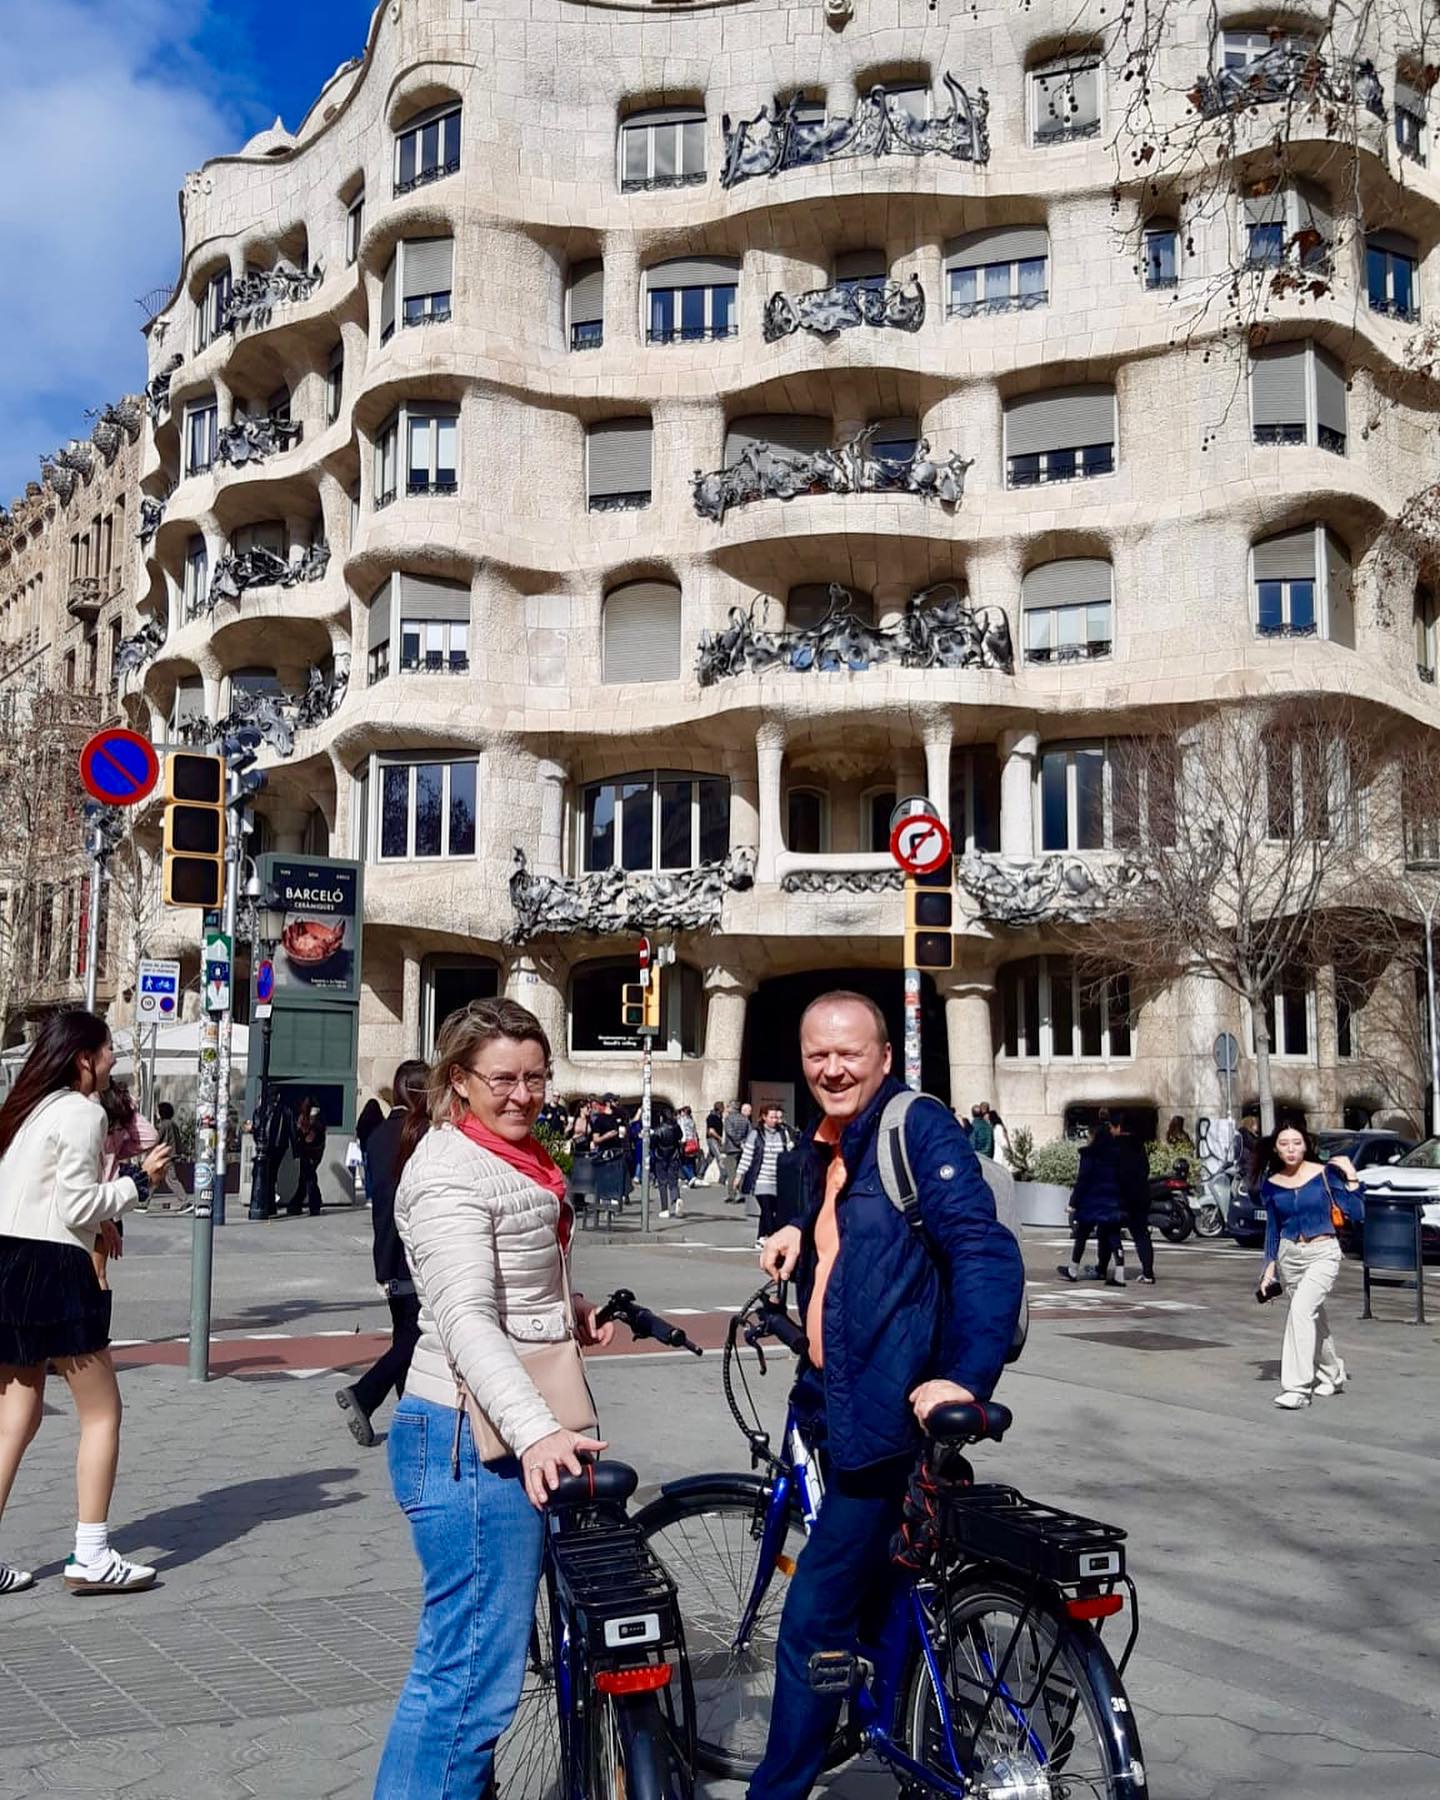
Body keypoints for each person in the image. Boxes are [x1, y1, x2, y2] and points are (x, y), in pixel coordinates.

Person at [753, 991, 1024, 1800]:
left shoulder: (917, 1128)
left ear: (883, 1058)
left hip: (883, 1418)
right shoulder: (830, 1142)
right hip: (833, 1400)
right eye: (816, 1054)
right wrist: (801, 1235)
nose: (831, 1068)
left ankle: (775, 1792)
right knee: (885, 1586)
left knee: (810, 1622)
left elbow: (982, 1248)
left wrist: (966, 1379)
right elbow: (857, 1235)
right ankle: (908, 1731)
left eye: (848, 1053)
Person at [375, 999, 613, 1796]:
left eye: (537, 1078)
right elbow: (467, 1320)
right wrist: (538, 1432)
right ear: (460, 1081)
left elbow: (511, 1273)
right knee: (466, 1688)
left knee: (472, 1674)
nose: (524, 1095)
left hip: (493, 1436)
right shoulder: (447, 1171)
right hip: (464, 1443)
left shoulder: (511, 1157)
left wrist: (565, 1306)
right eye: (503, 1079)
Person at [0, 1010, 173, 1597]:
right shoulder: (81, 1111)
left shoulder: (28, 1110)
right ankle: (92, 1552)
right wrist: (139, 1181)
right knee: (102, 1412)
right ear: (84, 1060)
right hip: (56, 1267)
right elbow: (77, 1206)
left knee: (15, 1417)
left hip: (10, 1262)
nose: (112, 1062)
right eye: (106, 1053)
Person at [337, 1062, 430, 1448]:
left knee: (405, 1335)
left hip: (386, 1251)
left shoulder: (377, 1135)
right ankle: (365, 1394)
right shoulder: (423, 1134)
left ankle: (412, 1419)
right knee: (416, 1338)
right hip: (414, 1251)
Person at [1257, 1123, 1357, 1409]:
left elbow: (1355, 1211)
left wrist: (1351, 1177)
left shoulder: (1325, 1175)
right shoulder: (1272, 1183)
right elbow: (1274, 1229)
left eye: (1296, 1143)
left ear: (1306, 1145)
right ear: (1276, 1147)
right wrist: (1269, 1266)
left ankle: (1297, 1389)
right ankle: (1333, 1373)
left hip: (1323, 1252)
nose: (1291, 1149)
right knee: (1312, 1318)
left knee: (1300, 1311)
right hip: (1290, 1255)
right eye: (1284, 1143)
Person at [94, 1084, 160, 1292]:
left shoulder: (86, 1106)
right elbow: (150, 1136)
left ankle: (95, 1322)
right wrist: (118, 1153)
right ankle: (97, 1321)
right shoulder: (113, 1108)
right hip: (112, 1203)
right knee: (99, 1272)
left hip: (92, 1199)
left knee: (92, 1274)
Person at [1058, 1117, 1127, 1285]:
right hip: (1112, 1199)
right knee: (1113, 1235)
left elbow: (1082, 1181)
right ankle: (1120, 1273)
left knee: (1081, 1234)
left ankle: (1073, 1269)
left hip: (1091, 1201)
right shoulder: (1116, 1155)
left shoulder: (1088, 1155)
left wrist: (1073, 1203)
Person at [1102, 1110, 1156, 1284]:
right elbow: (1145, 1169)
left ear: (1118, 1127)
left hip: (1119, 1198)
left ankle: (1105, 1268)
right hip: (1140, 1196)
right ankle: (1148, 1273)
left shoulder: (1112, 1146)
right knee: (1141, 1234)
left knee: (1108, 1230)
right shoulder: (1138, 1145)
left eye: (1111, 1127)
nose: (1110, 1130)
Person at [736, 1102, 798, 1247]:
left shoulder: (783, 1133)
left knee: (772, 1211)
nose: (775, 1120)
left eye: (777, 1117)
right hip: (761, 1180)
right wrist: (739, 1175)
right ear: (764, 1117)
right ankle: (771, 1237)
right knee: (767, 1209)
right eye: (772, 1117)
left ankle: (761, 1237)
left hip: (778, 1180)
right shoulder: (756, 1134)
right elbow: (748, 1155)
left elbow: (790, 1150)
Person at [288, 1097, 326, 1216]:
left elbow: (308, 1137)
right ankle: (301, 1204)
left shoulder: (307, 1119)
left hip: (307, 1152)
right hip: (314, 1153)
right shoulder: (318, 1118)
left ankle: (306, 1204)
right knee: (307, 1179)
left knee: (308, 1179)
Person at [150, 1101, 190, 1210]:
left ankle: (185, 1201)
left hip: (164, 1156)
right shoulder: (173, 1124)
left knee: (169, 1179)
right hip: (170, 1156)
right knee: (156, 1179)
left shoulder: (164, 1125)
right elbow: (178, 1141)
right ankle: (144, 1201)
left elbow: (157, 1140)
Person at [650, 1103, 684, 1219]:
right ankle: (676, 1198)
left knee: (662, 1183)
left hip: (661, 1157)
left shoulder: (658, 1130)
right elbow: (680, 1136)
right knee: (673, 1181)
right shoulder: (676, 1127)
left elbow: (652, 1144)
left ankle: (665, 1209)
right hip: (674, 1156)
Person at [722, 1100, 753, 1199]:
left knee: (732, 1172)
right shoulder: (745, 1119)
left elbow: (730, 1132)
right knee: (741, 1172)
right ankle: (741, 1192)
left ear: (732, 1108)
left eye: (728, 1107)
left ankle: (732, 1194)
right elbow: (750, 1133)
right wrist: (744, 1143)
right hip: (742, 1149)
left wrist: (738, 1142)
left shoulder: (728, 1119)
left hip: (732, 1148)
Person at [701, 1099, 726, 1183]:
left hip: (715, 1139)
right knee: (719, 1157)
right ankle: (723, 1175)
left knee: (709, 1158)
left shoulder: (719, 1117)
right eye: (723, 1107)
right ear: (719, 1108)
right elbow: (711, 1131)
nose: (724, 1109)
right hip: (712, 1139)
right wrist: (719, 1138)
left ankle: (700, 1173)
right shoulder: (712, 1117)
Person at [676, 1105, 701, 1186]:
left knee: (682, 1161)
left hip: (685, 1142)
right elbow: (694, 1132)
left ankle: (691, 1176)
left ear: (684, 1112)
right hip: (692, 1142)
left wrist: (682, 1141)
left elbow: (682, 1130)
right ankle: (690, 1179)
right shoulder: (691, 1120)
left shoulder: (682, 1120)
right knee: (690, 1161)